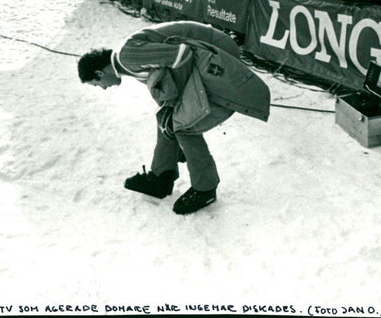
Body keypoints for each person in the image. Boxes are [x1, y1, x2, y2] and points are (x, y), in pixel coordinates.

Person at [78, 21, 270, 215]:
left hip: (218, 51)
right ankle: (162, 176)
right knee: (167, 119)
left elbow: (182, 55)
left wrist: (176, 117)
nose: (103, 88)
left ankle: (205, 189)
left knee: (183, 126)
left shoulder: (127, 56)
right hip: (206, 54)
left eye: (97, 84)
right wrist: (171, 122)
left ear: (99, 73)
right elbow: (169, 84)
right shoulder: (127, 61)